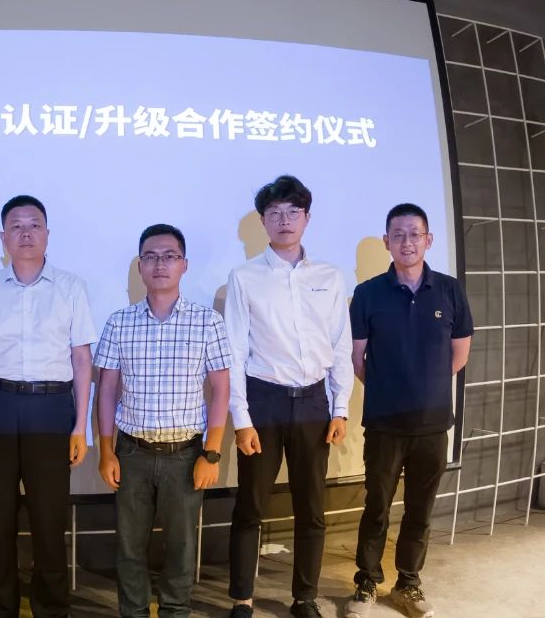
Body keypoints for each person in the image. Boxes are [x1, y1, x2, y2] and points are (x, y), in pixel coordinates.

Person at [0, 195, 98, 617]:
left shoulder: (71, 288)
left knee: (48, 519)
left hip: (52, 408)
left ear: (47, 234)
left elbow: (81, 360)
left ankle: (51, 608)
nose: (25, 233)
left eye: (34, 224)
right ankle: (0, 608)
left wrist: (81, 426)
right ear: (2, 237)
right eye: (16, 226)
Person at [225, 176, 353, 618]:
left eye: (293, 212)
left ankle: (305, 598)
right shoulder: (244, 277)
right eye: (275, 213)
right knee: (250, 505)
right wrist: (241, 418)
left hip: (314, 403)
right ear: (263, 221)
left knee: (311, 508)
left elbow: (339, 345)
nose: (284, 220)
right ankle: (242, 598)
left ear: (307, 218)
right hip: (263, 402)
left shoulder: (329, 276)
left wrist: (340, 408)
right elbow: (234, 352)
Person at [94, 224, 231, 618]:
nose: (160, 264)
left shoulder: (207, 322)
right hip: (131, 453)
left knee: (182, 547)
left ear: (184, 265)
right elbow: (107, 391)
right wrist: (106, 452)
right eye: (151, 257)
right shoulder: (119, 322)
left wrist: (211, 454)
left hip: (185, 455)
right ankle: (134, 612)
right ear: (140, 266)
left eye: (170, 256)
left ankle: (175, 611)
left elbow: (221, 389)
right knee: (129, 546)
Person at [344, 204, 473, 618]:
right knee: (377, 506)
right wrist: (391, 388)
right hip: (384, 423)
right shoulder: (367, 293)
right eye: (397, 234)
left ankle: (408, 582)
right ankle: (367, 582)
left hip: (433, 425)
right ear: (387, 242)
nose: (407, 242)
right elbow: (357, 359)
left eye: (415, 233)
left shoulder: (450, 291)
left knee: (420, 509)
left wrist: (425, 385)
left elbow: (459, 354)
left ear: (428, 240)